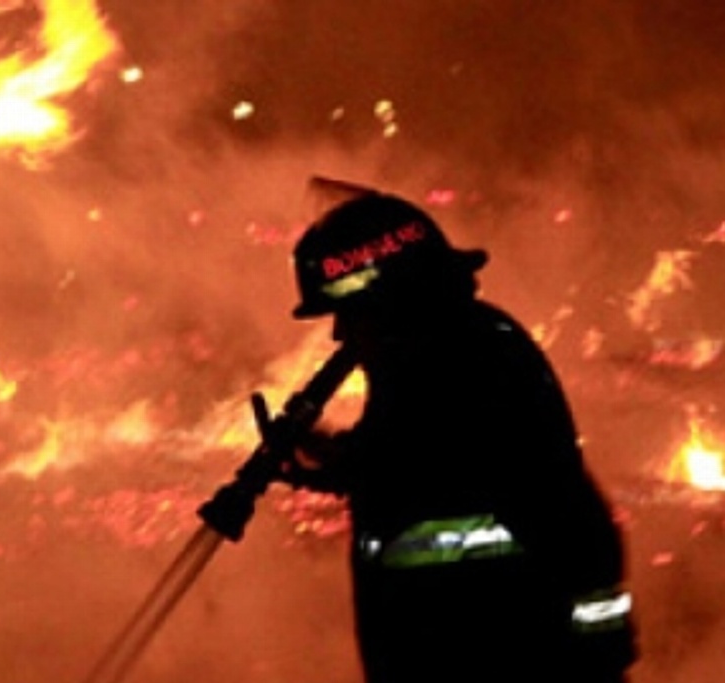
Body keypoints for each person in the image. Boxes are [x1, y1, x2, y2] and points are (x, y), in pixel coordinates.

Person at [274, 187, 639, 682]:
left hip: (503, 655)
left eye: (351, 312)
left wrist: (593, 651)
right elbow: (417, 465)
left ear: (393, 301)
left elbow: (548, 510)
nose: (340, 333)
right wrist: (323, 456)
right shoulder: (437, 359)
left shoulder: (466, 360)